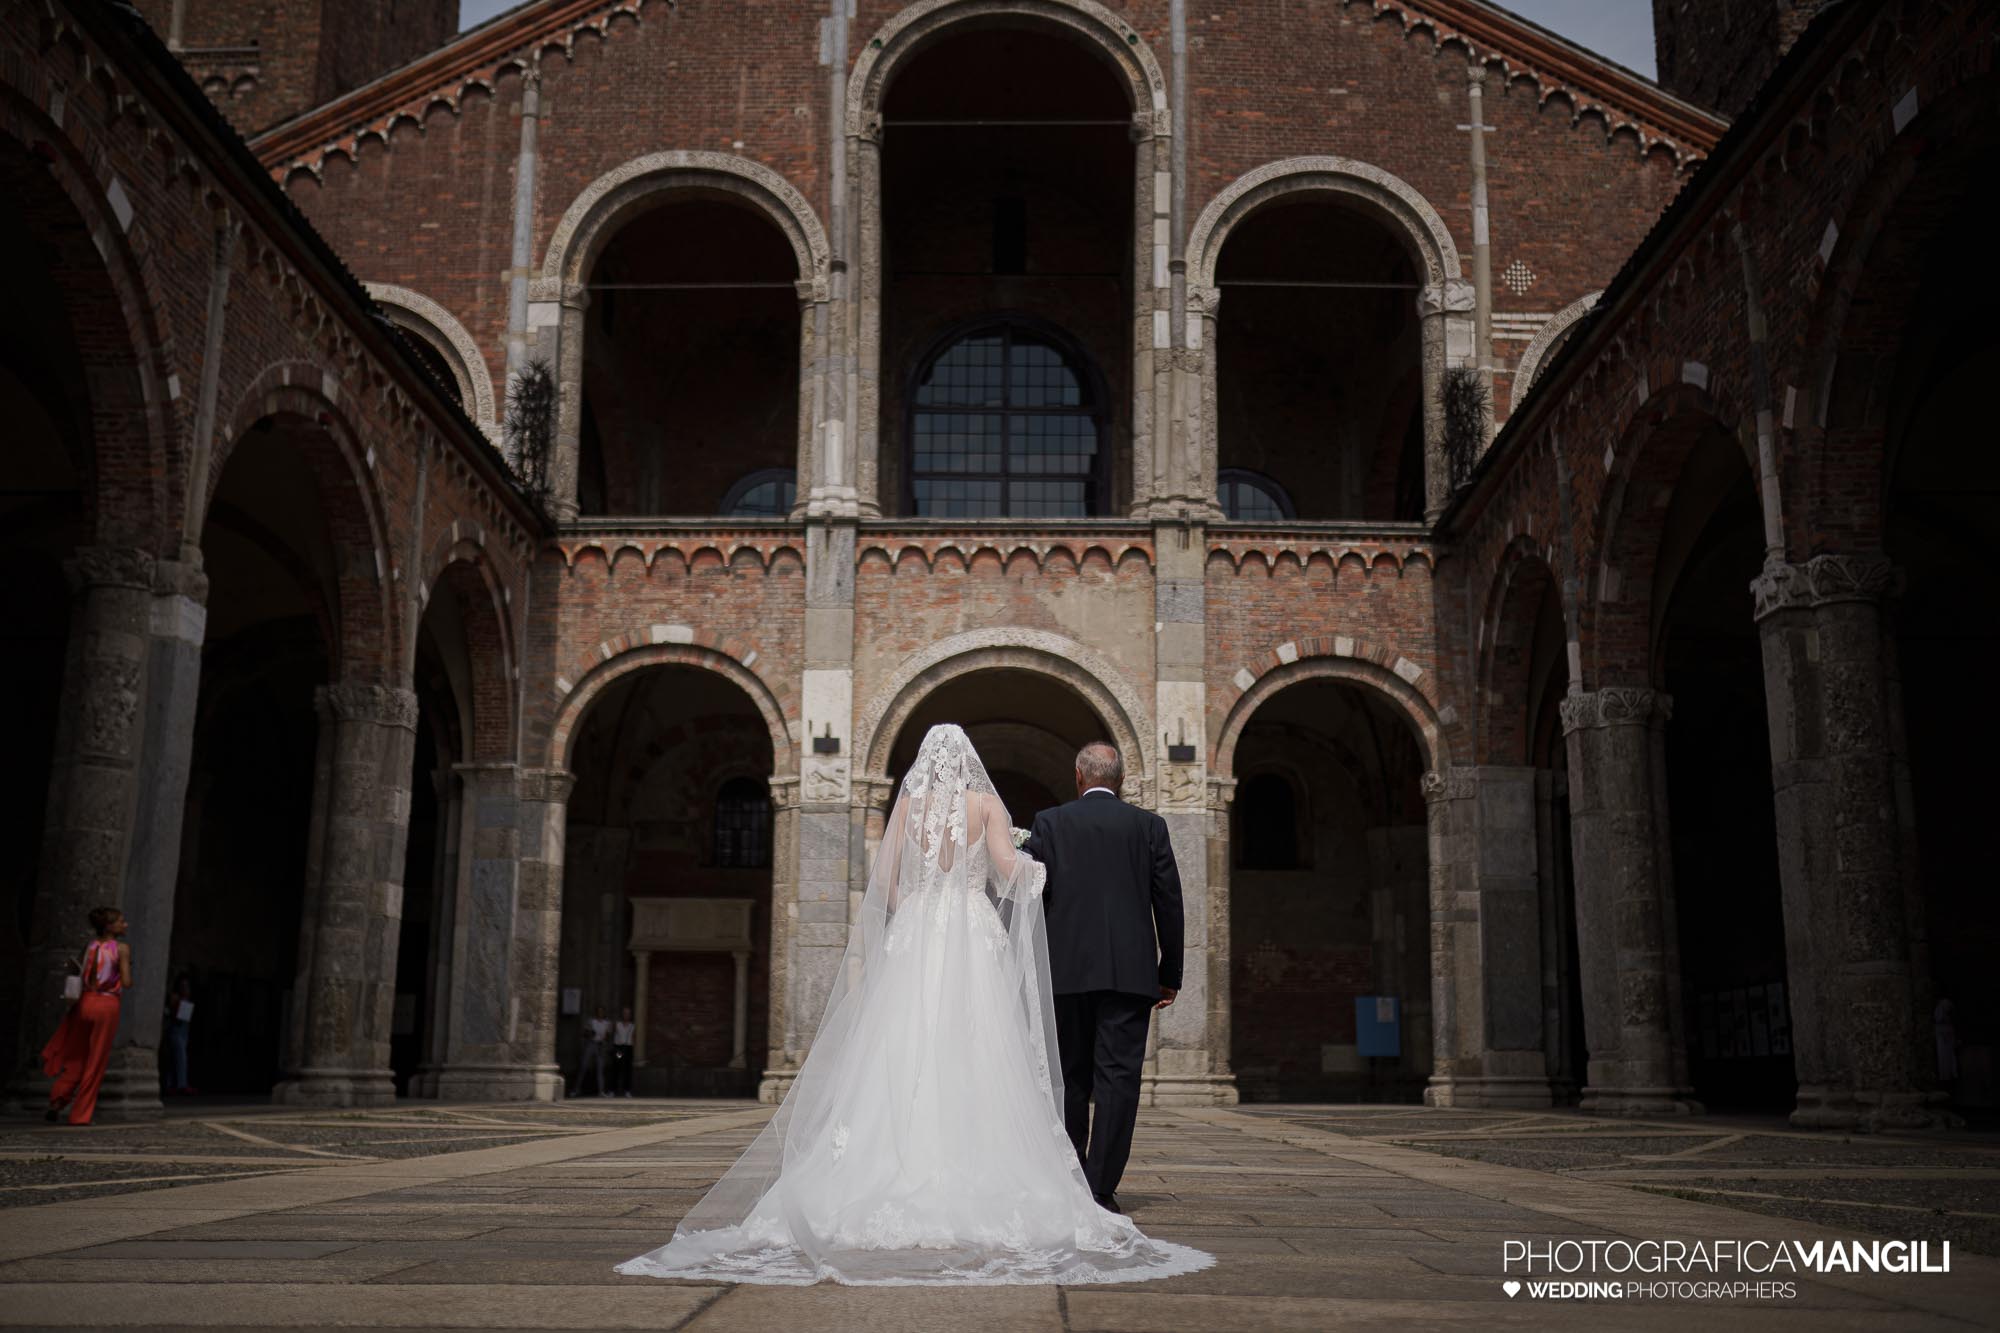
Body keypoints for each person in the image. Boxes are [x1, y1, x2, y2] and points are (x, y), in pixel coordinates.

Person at [616, 724, 1210, 1286]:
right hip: (989, 939)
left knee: (907, 1050)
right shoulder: (991, 808)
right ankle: (1087, 1187)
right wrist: (1032, 875)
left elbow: (887, 885)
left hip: (921, 936)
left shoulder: (908, 807)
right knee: (998, 1053)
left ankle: (897, 1166)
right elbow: (1015, 875)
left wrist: (922, 908)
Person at [1024, 741, 1184, 1214]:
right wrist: (1168, 972)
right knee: (1118, 1079)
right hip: (1130, 974)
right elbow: (1169, 902)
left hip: (1066, 971)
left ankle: (1072, 1178)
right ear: (1121, 779)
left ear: (1078, 777)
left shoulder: (1049, 823)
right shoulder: (1149, 827)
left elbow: (1035, 891)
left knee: (1070, 1075)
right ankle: (1101, 1187)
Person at [42, 906, 132, 1126]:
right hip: (107, 1004)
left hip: (85, 1002)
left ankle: (57, 1099)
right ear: (110, 926)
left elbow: (79, 973)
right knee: (95, 1061)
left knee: (76, 1055)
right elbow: (127, 982)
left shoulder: (90, 946)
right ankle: (80, 1115)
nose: (125, 924)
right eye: (121, 921)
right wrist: (125, 969)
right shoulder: (121, 948)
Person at [163, 974, 196, 1096]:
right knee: (180, 1058)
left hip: (183, 1032)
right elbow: (173, 1017)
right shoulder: (175, 998)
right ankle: (181, 1084)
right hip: (175, 1031)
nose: (185, 989)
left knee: (174, 1059)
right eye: (183, 986)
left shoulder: (186, 1000)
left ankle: (170, 1084)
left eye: (187, 986)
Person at [573, 1005, 610, 1098]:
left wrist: (605, 1037)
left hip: (600, 1045)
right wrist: (590, 1033)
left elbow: (608, 1034)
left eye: (602, 1012)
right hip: (591, 1044)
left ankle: (601, 1091)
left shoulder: (606, 1023)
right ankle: (576, 1089)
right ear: (596, 1013)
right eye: (599, 1011)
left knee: (600, 1069)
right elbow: (585, 1032)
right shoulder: (591, 1021)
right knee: (583, 1066)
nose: (600, 1013)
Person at [611, 1005, 636, 1098]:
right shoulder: (617, 1024)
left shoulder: (632, 1026)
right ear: (622, 1014)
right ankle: (613, 1090)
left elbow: (634, 1037)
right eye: (625, 1013)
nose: (626, 1015)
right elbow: (612, 1034)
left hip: (628, 1047)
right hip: (619, 1048)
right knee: (616, 1068)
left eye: (628, 1014)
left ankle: (627, 1090)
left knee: (627, 1070)